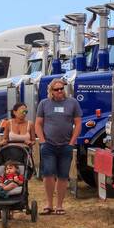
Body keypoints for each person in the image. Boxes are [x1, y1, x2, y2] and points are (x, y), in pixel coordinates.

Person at [34, 80, 80, 215]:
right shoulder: (44, 104)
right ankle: (49, 204)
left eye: (61, 88)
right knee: (48, 174)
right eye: (57, 89)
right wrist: (42, 141)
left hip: (66, 145)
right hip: (48, 145)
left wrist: (72, 142)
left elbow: (78, 123)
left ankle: (60, 205)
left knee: (63, 175)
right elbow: (38, 124)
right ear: (51, 91)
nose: (60, 91)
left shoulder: (72, 103)